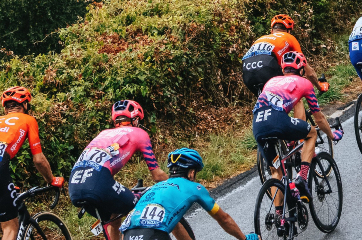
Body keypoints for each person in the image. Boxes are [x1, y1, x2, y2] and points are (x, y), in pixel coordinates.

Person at [0, 87, 64, 240]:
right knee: (11, 226)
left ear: (5, 107)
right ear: (25, 105)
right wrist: (51, 180)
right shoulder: (28, 120)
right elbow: (38, 159)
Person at [251, 51, 342, 205]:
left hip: (258, 124)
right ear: (301, 70)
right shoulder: (305, 83)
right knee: (311, 133)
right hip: (278, 120)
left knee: (276, 171)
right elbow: (318, 118)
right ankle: (302, 178)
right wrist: (332, 135)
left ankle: (280, 217)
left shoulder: (271, 81)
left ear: (283, 70)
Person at [69, 101, 168, 240]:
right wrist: (176, 186)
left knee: (113, 219)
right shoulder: (140, 133)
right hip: (98, 182)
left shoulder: (104, 133)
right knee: (141, 200)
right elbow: (157, 175)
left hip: (74, 187)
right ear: (135, 118)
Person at [119, 149, 256, 240]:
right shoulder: (194, 187)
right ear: (191, 172)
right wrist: (244, 239)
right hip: (154, 235)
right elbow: (224, 219)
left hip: (127, 234)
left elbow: (176, 225)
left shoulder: (155, 187)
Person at [241, 15, 325, 96]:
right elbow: (308, 72)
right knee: (293, 96)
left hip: (247, 72)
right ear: (288, 31)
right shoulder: (289, 37)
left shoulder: (260, 38)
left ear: (272, 30)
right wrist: (319, 86)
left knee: (266, 104)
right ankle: (307, 109)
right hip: (266, 67)